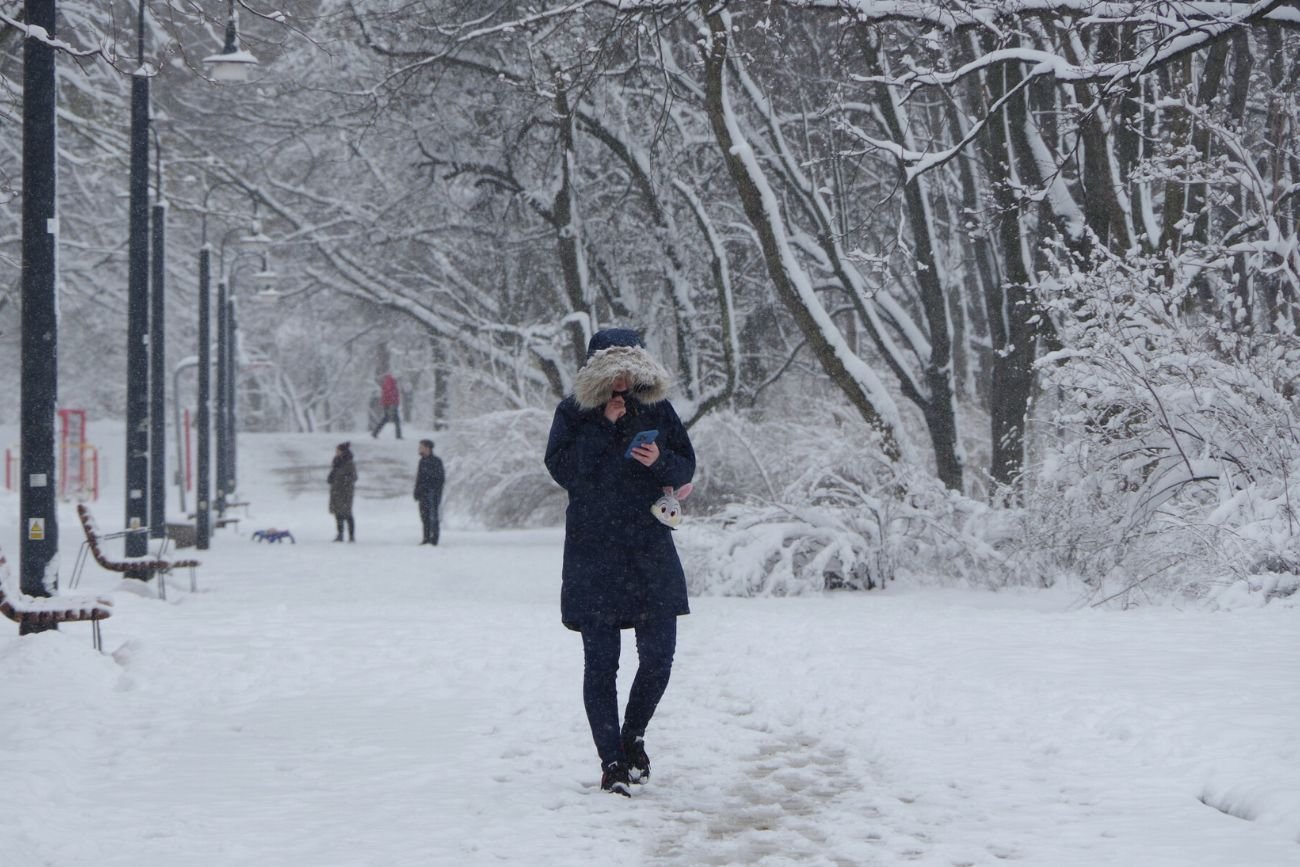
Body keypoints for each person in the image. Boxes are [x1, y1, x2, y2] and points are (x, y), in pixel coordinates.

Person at [543, 328, 696, 797]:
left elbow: (685, 466)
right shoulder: (574, 411)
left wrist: (659, 462)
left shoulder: (656, 407)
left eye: (630, 369)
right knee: (600, 664)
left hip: (649, 548)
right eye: (614, 371)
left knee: (659, 657)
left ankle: (633, 735)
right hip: (594, 553)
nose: (623, 380)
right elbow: (563, 471)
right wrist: (604, 427)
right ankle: (611, 762)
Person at [413, 439, 446, 546]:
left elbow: (440, 479)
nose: (419, 449)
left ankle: (434, 539)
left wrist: (433, 489)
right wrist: (416, 491)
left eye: (421, 447)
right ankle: (426, 538)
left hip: (432, 494)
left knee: (433, 517)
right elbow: (419, 478)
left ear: (428, 448)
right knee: (424, 516)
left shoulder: (436, 461)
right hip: (423, 494)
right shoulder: (422, 461)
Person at [327, 442, 357, 542]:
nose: (336, 452)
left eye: (338, 450)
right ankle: (340, 534)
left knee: (347, 513)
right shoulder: (337, 462)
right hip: (336, 492)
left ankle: (351, 536)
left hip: (345, 493)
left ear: (343, 451)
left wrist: (343, 483)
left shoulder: (349, 463)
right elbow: (333, 474)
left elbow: (353, 477)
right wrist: (331, 478)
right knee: (338, 513)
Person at [371, 373, 402, 439]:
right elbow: (390, 393)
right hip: (390, 404)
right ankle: (398, 436)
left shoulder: (390, 381)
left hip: (389, 403)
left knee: (386, 418)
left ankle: (375, 433)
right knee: (395, 419)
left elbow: (389, 393)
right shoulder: (390, 381)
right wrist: (393, 403)